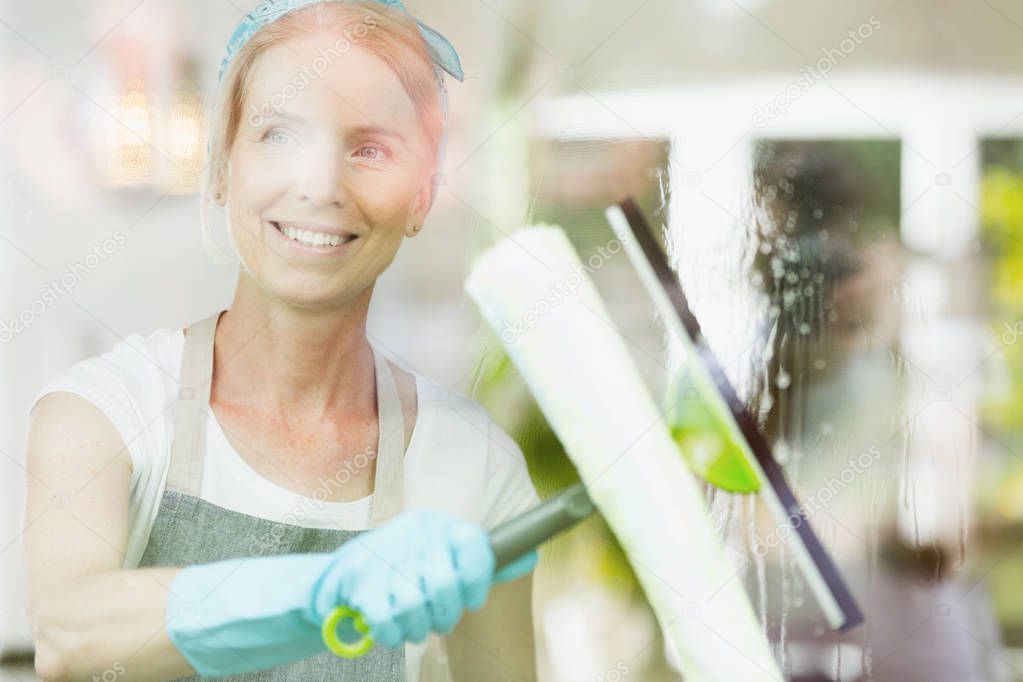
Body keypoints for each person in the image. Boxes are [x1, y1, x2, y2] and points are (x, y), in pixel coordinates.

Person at [22, 1, 540, 680]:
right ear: (219, 169)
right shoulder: (103, 411)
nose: (320, 187)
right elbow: (69, 635)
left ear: (422, 195)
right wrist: (322, 592)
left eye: (372, 148)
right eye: (278, 135)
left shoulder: (475, 469)